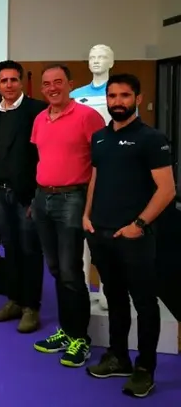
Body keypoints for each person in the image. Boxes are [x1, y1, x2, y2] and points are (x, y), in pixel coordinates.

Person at [83, 74, 176, 398]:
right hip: (101, 232)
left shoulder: (151, 138)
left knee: (145, 304)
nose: (117, 101)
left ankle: (144, 368)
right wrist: (86, 214)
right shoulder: (99, 138)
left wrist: (140, 224)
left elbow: (167, 190)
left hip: (135, 237)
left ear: (137, 98)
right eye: (112, 96)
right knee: (116, 299)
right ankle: (118, 357)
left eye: (125, 95)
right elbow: (96, 178)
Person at [30, 64, 105, 367]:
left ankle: (80, 339)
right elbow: (43, 157)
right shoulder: (39, 119)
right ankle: (66, 330)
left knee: (72, 271)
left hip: (73, 197)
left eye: (58, 82)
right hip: (42, 196)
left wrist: (89, 206)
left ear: (70, 85)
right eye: (47, 84)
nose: (52, 88)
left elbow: (101, 165)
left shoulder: (88, 117)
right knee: (56, 270)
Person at [0, 60, 48, 333]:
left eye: (13, 80)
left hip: (26, 195)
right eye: (3, 81)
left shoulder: (37, 110)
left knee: (30, 250)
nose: (8, 85)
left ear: (21, 82)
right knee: (9, 249)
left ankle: (31, 307)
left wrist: (36, 195)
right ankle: (14, 301)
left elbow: (44, 153)